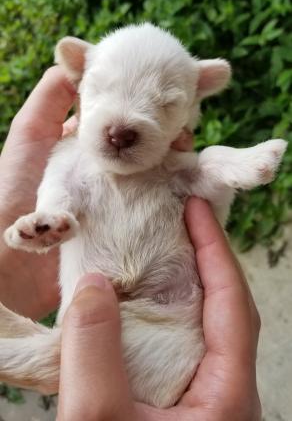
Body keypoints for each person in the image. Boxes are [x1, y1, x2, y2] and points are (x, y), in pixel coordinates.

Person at [0, 67, 262, 421]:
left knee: (76, 353)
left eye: (165, 105)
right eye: (104, 90)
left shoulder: (173, 163)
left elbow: (204, 188)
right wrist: (48, 216)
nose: (123, 126)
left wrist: (221, 164)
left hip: (169, 323)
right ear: (80, 77)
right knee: (74, 351)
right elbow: (56, 190)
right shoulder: (69, 155)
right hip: (138, 328)